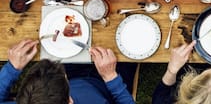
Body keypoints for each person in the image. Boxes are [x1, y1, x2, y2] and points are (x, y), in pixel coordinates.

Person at [0, 39, 136, 104]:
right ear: (70, 100)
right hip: (107, 87)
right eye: (63, 77)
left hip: (77, 74)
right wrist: (111, 78)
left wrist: (12, 68)